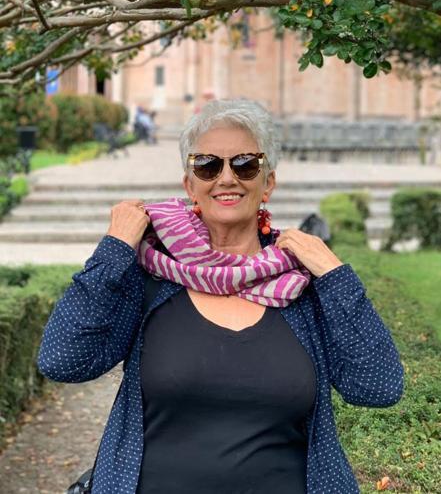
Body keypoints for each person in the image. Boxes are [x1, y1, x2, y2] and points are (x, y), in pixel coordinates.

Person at [37, 99, 404, 494]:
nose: (226, 178)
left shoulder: (300, 283)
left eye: (245, 164)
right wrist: (114, 248)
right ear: (190, 185)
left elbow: (378, 387)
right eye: (207, 165)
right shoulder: (152, 277)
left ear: (268, 183)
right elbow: (62, 360)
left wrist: (334, 274)